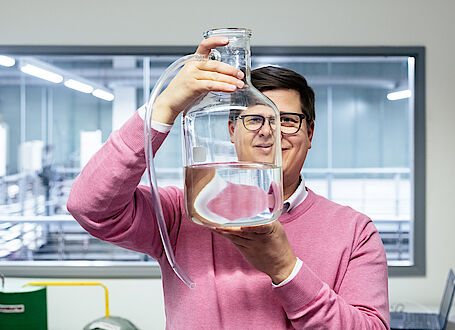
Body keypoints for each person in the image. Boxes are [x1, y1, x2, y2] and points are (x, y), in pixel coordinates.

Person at [67, 37, 390, 329]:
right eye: (253, 118)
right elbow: (89, 207)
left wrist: (285, 269)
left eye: (287, 120)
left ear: (310, 133)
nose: (268, 131)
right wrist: (165, 107)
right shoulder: (186, 212)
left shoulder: (354, 231)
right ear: (232, 131)